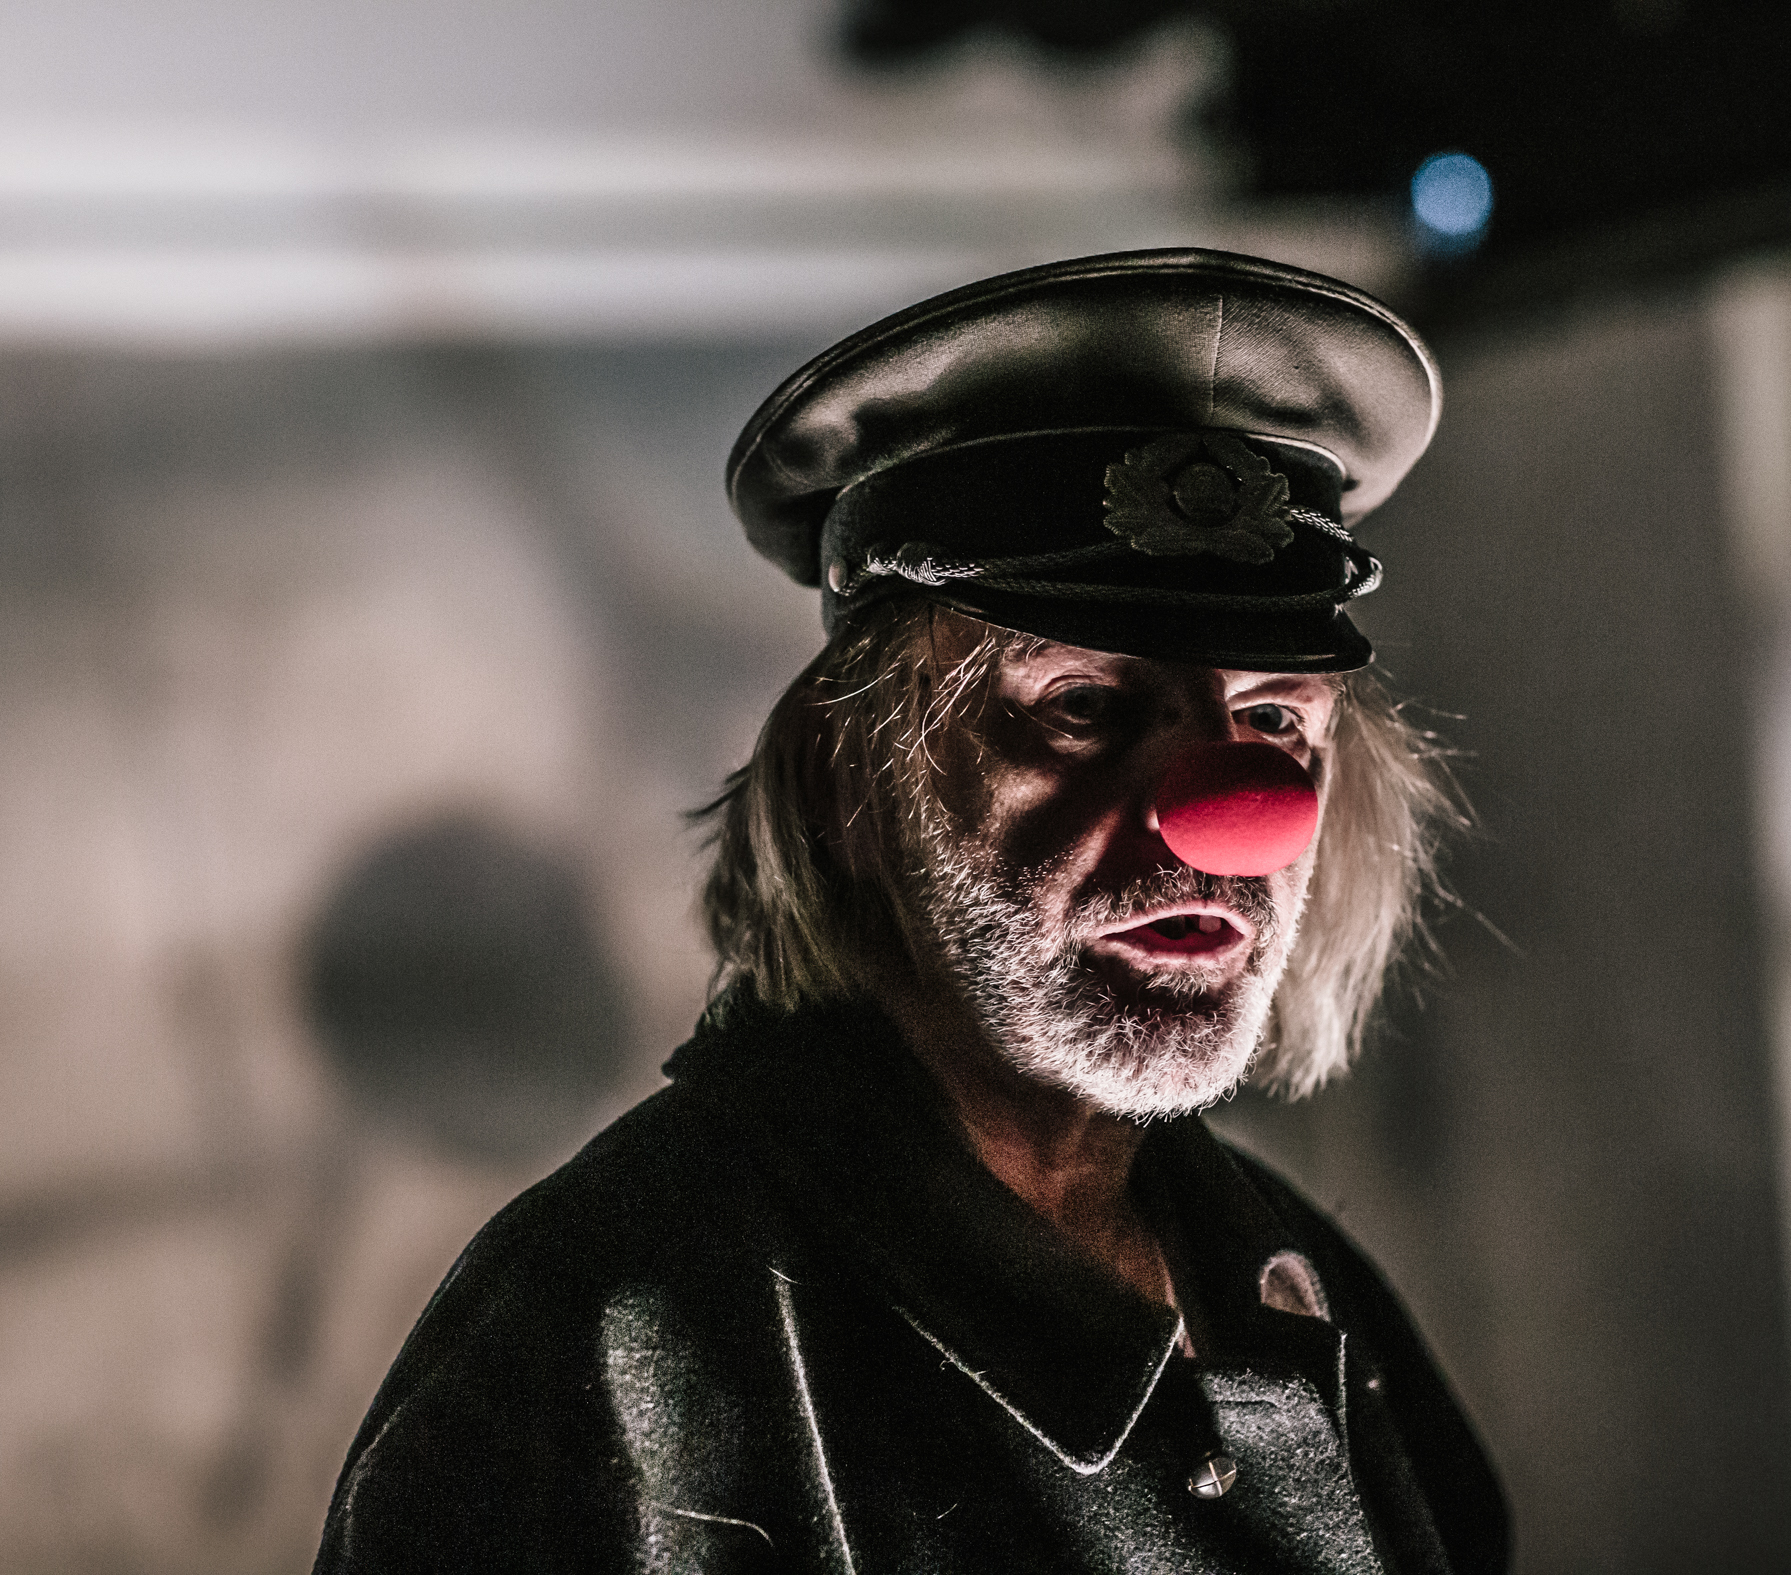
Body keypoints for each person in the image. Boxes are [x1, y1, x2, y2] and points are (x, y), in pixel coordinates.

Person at [312, 250, 1508, 1573]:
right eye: (1083, 706)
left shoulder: (1305, 1292)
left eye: (1274, 721)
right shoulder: (595, 1353)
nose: (1219, 820)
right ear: (852, 779)